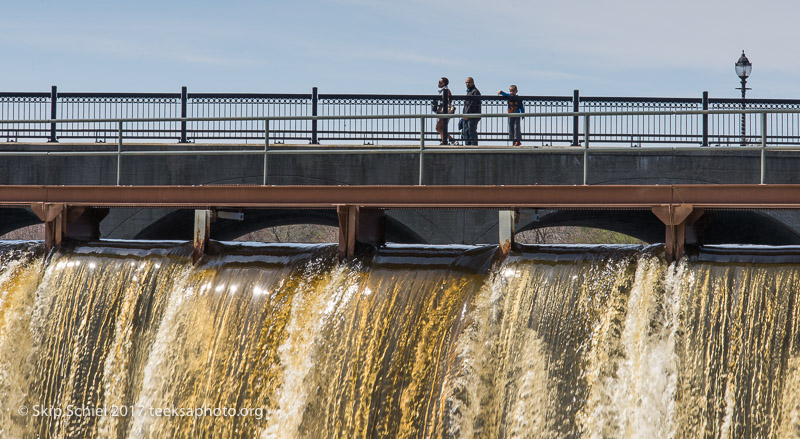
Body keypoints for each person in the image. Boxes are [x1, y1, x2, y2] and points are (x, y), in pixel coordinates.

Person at [433, 77, 456, 145]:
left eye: (440, 82)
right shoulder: (442, 90)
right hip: (442, 111)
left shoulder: (446, 90)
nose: (439, 83)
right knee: (439, 128)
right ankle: (445, 141)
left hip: (445, 111)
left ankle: (451, 141)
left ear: (444, 83)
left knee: (439, 127)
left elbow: (447, 100)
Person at [461, 77, 481, 145]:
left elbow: (473, 104)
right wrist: (463, 115)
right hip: (466, 116)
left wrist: (467, 115)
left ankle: (473, 146)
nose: (467, 84)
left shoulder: (475, 91)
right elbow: (466, 105)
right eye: (466, 82)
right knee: (465, 131)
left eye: (469, 82)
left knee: (471, 130)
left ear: (473, 82)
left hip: (473, 116)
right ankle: (467, 145)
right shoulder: (469, 91)